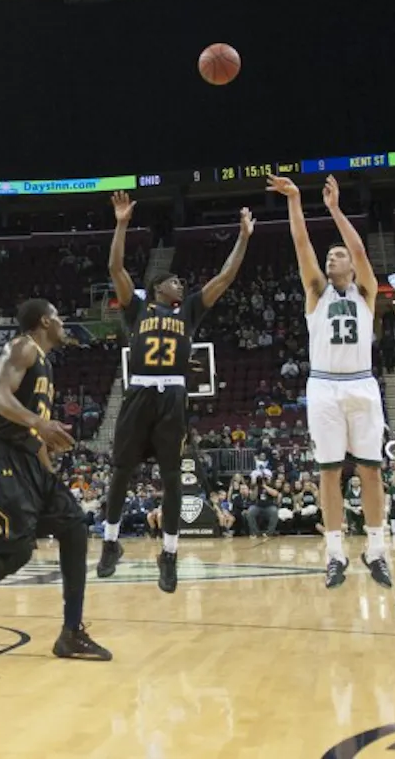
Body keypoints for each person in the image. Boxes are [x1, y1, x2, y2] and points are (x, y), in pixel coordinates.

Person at [0, 299, 111, 662]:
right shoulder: (23, 347)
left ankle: (71, 632)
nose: (63, 323)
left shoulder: (45, 363)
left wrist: (48, 469)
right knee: (16, 550)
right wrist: (41, 424)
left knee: (75, 525)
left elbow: (33, 430)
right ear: (45, 320)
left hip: (29, 457)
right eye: (59, 317)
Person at [98, 192, 252, 593]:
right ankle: (111, 543)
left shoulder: (189, 311)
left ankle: (169, 554)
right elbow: (115, 266)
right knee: (121, 472)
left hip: (173, 397)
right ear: (157, 288)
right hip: (141, 392)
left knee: (172, 478)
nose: (180, 283)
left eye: (180, 280)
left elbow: (225, 278)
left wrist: (244, 237)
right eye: (173, 280)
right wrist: (121, 224)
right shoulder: (138, 308)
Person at [267, 174, 391, 588]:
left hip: (361, 383)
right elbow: (302, 245)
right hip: (323, 386)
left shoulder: (367, 291)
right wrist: (296, 201)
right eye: (331, 255)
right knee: (330, 472)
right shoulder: (317, 292)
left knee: (371, 472)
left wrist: (336, 209)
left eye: (338, 255)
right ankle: (334, 553)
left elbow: (357, 248)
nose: (332, 258)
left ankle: (376, 550)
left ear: (352, 266)